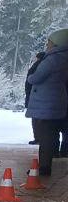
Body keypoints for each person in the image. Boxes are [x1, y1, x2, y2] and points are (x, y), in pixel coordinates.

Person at [25, 29, 68, 177]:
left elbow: (36, 78)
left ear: (56, 43)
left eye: (49, 42)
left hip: (46, 104)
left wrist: (30, 77)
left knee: (46, 137)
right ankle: (49, 163)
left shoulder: (52, 59)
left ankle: (43, 167)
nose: (47, 45)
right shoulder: (64, 58)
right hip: (58, 101)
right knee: (53, 134)